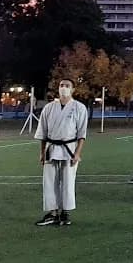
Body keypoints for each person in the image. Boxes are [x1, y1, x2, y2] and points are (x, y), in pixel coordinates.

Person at [34, 78, 88, 227]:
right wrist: (42, 152)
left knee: (68, 182)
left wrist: (77, 153)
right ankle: (52, 213)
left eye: (67, 86)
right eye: (61, 85)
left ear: (73, 90)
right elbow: (42, 132)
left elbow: (82, 134)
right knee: (49, 182)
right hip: (51, 148)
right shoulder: (49, 108)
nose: (64, 88)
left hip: (69, 149)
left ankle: (65, 213)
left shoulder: (79, 108)